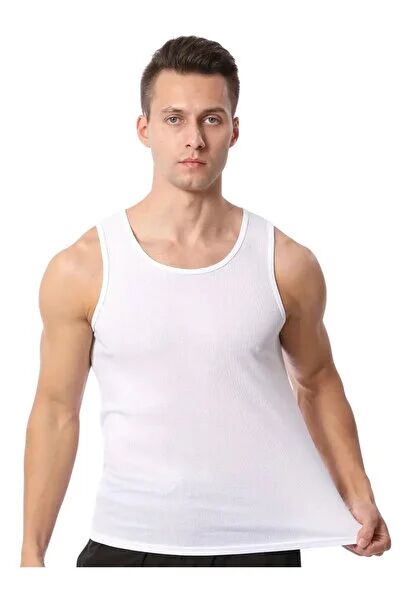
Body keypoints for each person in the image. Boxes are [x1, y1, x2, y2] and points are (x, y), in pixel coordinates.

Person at [20, 35, 391, 568]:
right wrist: (31, 556)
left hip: (259, 548)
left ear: (234, 130)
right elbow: (56, 411)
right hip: (127, 544)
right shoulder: (82, 268)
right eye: (174, 119)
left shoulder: (285, 263)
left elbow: (317, 381)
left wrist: (357, 493)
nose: (193, 139)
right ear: (144, 129)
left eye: (211, 119)